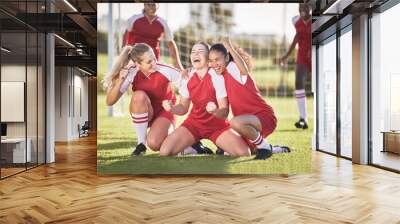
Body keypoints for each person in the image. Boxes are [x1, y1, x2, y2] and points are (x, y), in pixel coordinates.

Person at [103, 43, 212, 156]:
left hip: (164, 112)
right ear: (137, 64)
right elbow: (110, 102)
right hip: (145, 111)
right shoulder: (131, 72)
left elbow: (188, 83)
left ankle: (191, 147)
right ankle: (141, 145)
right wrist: (121, 79)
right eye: (149, 62)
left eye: (154, 58)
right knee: (138, 95)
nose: (154, 63)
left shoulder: (165, 69)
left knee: (155, 144)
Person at [159, 42, 253, 158]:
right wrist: (172, 108)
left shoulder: (217, 76)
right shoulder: (187, 77)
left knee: (244, 153)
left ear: (208, 57)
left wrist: (214, 111)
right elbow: (183, 108)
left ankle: (222, 148)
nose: (195, 54)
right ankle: (196, 148)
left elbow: (224, 112)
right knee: (165, 152)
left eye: (200, 52)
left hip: (217, 127)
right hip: (194, 125)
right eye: (193, 52)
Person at [208, 38, 290, 160]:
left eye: (217, 60)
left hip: (263, 117)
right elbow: (224, 108)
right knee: (247, 150)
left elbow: (244, 70)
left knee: (235, 122)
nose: (214, 64)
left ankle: (265, 147)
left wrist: (230, 47)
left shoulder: (232, 67)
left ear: (226, 58)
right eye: (211, 61)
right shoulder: (219, 76)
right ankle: (274, 148)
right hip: (246, 125)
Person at [279, 3, 312, 129]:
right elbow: (296, 38)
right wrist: (286, 56)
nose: (302, 10)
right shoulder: (295, 20)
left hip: (316, 53)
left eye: (305, 7)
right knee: (298, 83)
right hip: (302, 56)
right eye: (300, 8)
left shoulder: (316, 19)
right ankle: (303, 118)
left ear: (311, 8)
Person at [123, 3, 183, 71]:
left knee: (152, 79)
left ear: (157, 6)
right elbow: (126, 35)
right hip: (135, 57)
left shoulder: (163, 22)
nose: (151, 7)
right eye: (148, 4)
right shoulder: (134, 19)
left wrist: (178, 65)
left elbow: (171, 43)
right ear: (144, 5)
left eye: (153, 5)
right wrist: (123, 54)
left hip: (153, 58)